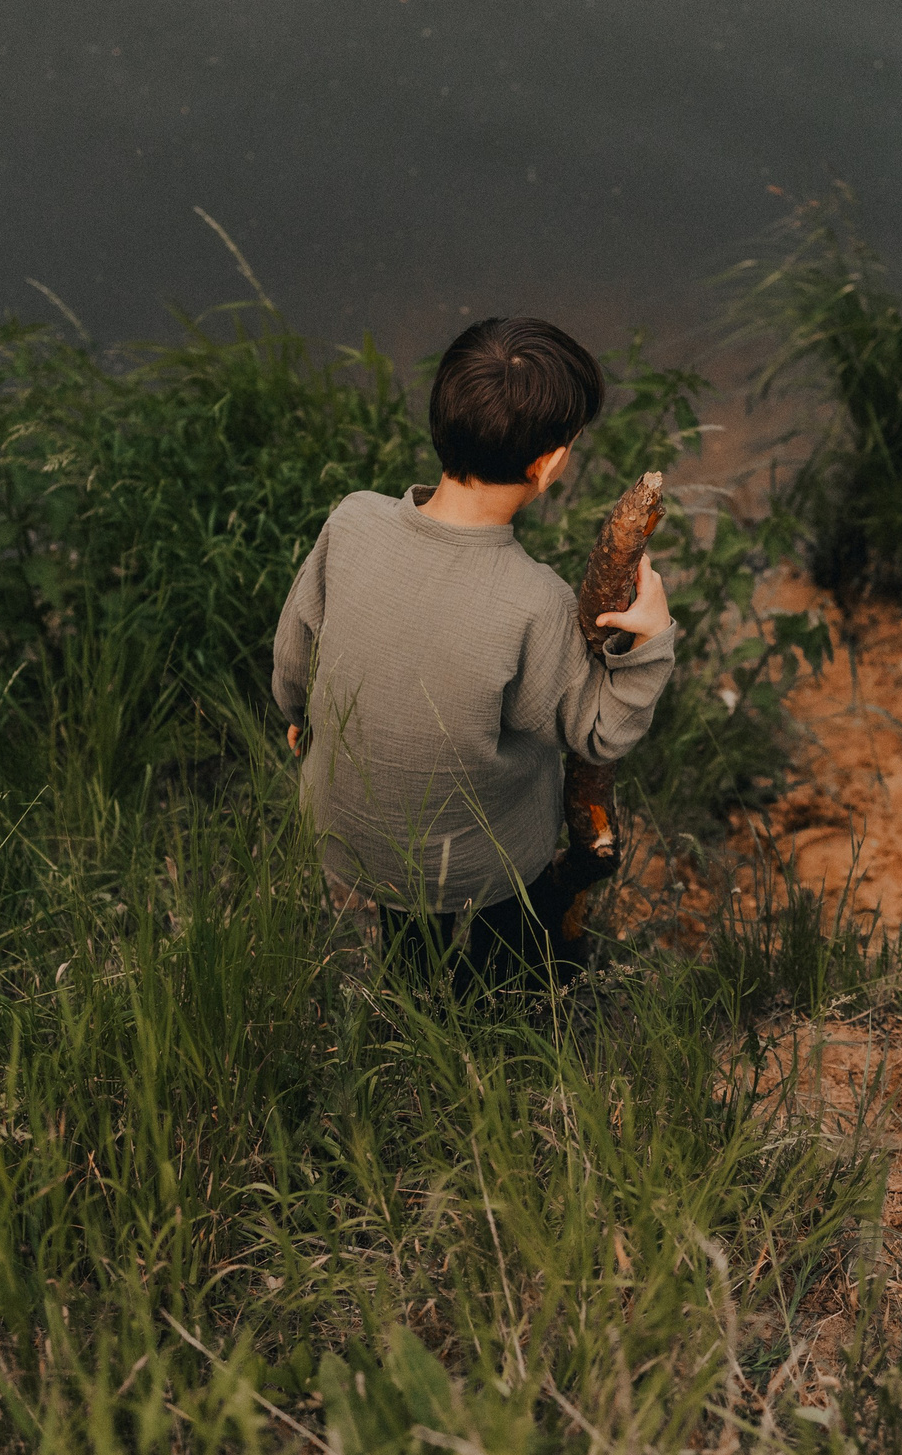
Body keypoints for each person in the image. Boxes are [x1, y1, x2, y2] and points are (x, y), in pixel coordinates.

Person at [271, 316, 675, 993]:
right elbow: (600, 730)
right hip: (473, 866)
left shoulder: (352, 520)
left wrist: (291, 709)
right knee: (497, 946)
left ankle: (411, 979)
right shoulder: (533, 600)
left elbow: (296, 643)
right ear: (547, 464)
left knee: (409, 918)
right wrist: (650, 637)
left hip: (348, 827)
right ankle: (499, 994)